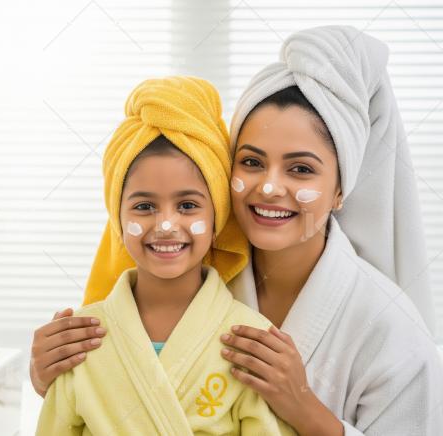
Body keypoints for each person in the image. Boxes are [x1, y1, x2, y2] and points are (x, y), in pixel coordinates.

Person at [31, 26, 443, 435]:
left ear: (340, 190)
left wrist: (305, 408)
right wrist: (53, 374)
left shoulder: (392, 333)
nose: (268, 186)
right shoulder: (187, 262)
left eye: (300, 169)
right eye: (251, 162)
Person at [35, 76, 294, 435]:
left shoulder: (250, 339)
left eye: (187, 205)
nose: (167, 224)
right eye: (144, 206)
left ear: (217, 216)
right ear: (119, 222)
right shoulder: (81, 341)